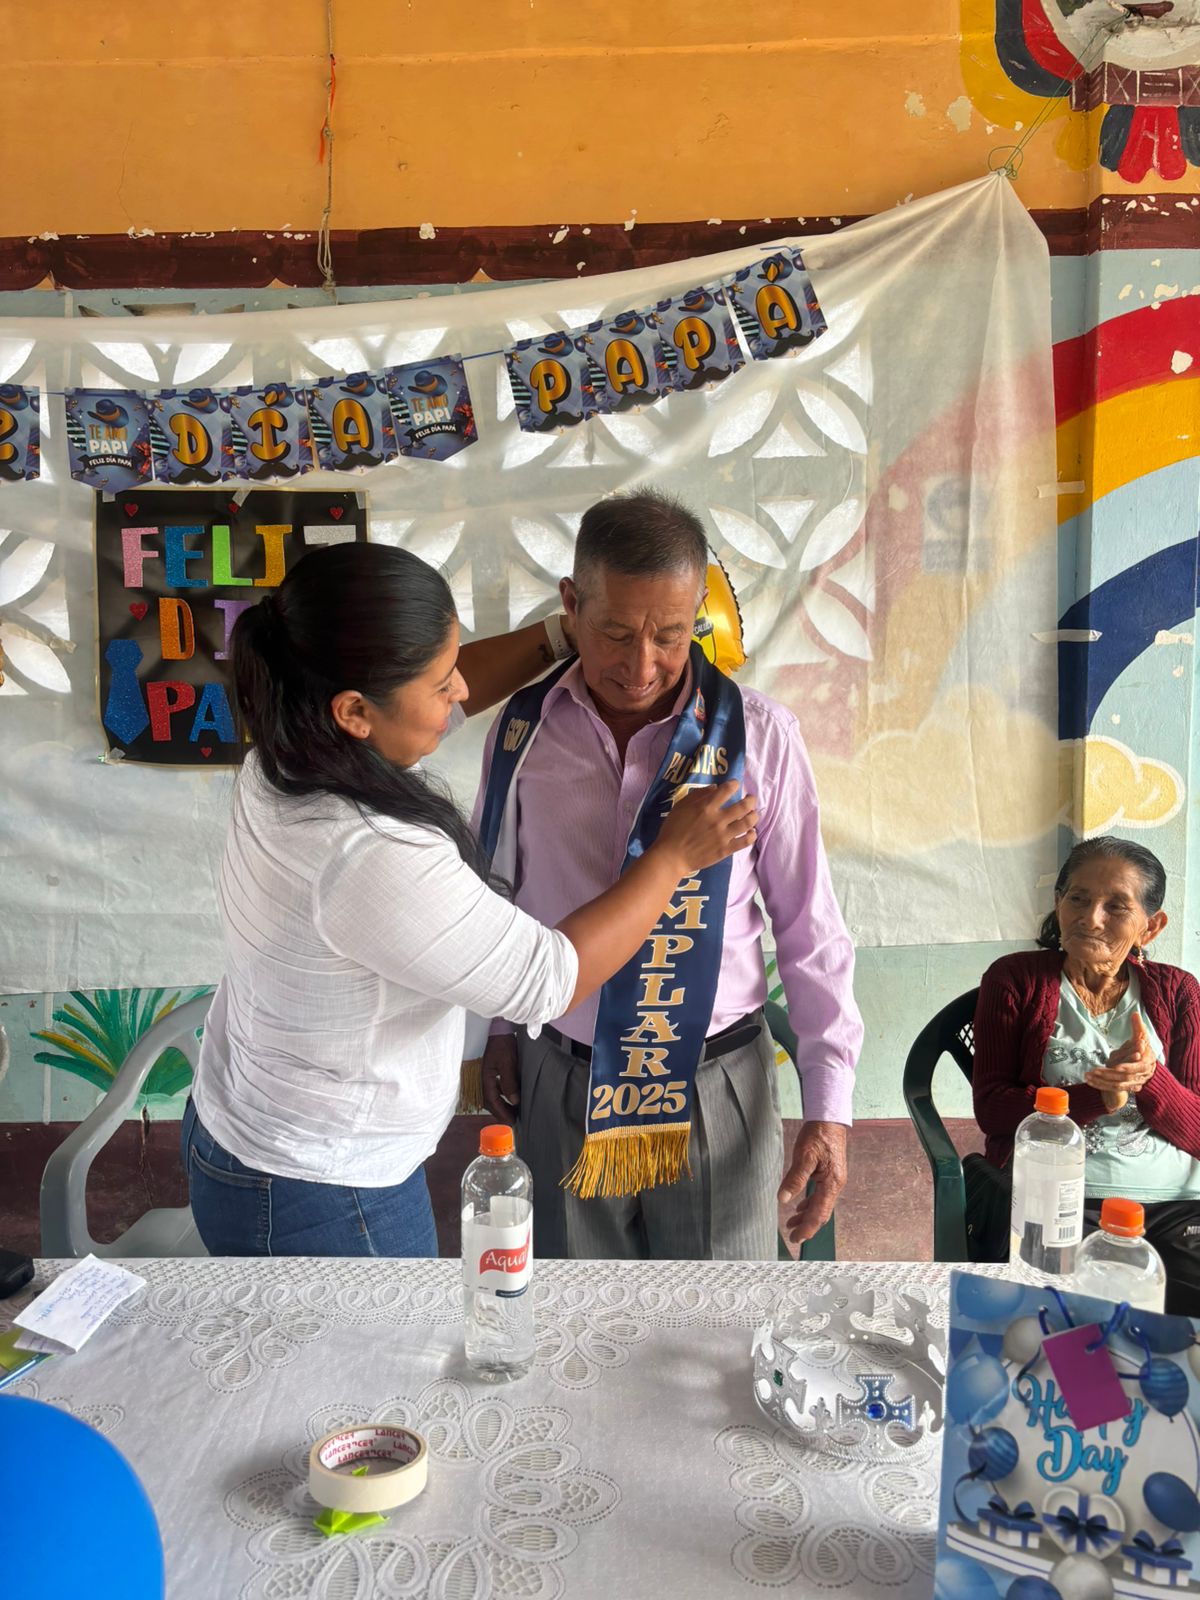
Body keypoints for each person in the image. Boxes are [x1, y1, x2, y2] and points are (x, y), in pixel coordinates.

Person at [183, 542, 757, 1257]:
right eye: (440, 682)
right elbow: (549, 978)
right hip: (323, 1187)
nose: (460, 692)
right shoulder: (369, 851)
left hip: (248, 1128)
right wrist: (671, 858)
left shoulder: (287, 750)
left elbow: (432, 695)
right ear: (354, 710)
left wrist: (571, 634)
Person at [475, 490, 862, 1261]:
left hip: (716, 1087)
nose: (641, 666)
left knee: (722, 1319)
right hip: (562, 1077)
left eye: (671, 635)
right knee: (576, 1314)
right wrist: (497, 1031)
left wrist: (830, 1105)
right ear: (571, 606)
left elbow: (810, 929)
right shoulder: (522, 733)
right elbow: (497, 894)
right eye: (616, 633)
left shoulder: (758, 736)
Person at [972, 836, 1200, 1312]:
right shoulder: (1014, 979)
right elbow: (993, 1110)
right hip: (1060, 1198)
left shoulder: (1179, 991)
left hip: (1178, 1205)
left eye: (1116, 906)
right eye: (1078, 898)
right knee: (1068, 1320)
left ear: (1150, 926)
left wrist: (1149, 1078)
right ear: (1058, 903)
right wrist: (1098, 1097)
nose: (1091, 917)